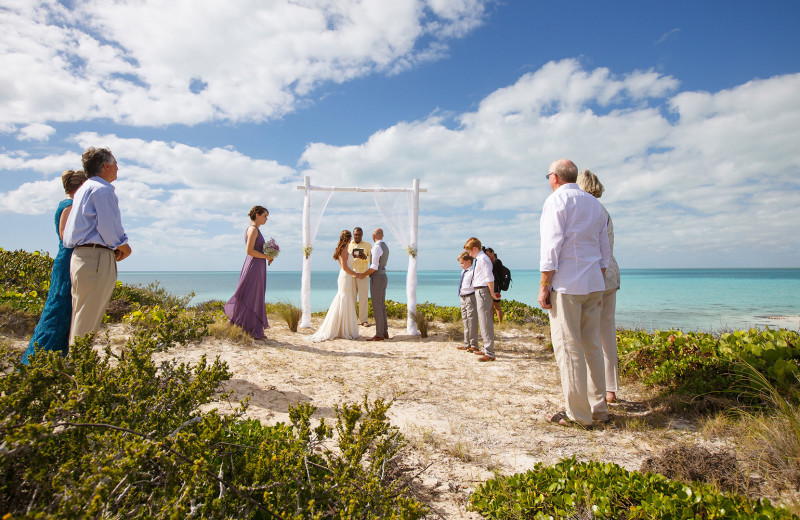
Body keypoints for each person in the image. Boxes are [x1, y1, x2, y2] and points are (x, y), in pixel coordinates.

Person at [539, 158, 611, 428]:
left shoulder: (556, 201)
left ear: (555, 177)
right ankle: (598, 407)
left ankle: (579, 415)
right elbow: (605, 252)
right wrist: (598, 278)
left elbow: (551, 247)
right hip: (593, 283)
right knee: (592, 346)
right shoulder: (595, 204)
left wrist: (544, 286)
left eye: (548, 175)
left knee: (569, 349)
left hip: (568, 285)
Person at [63, 147, 131, 344]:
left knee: (81, 313)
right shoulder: (102, 190)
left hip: (80, 257)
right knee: (88, 318)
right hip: (96, 258)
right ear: (105, 166)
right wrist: (124, 247)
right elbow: (109, 229)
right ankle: (79, 368)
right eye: (115, 163)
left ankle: (75, 365)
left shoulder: (84, 189)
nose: (118, 168)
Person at [21, 170, 88, 364]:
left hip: (68, 258)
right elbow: (66, 237)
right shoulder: (69, 205)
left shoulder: (67, 204)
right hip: (67, 260)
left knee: (64, 309)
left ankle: (54, 358)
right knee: (58, 309)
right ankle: (40, 358)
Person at [578, 170, 621, 403]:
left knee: (591, 334)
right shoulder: (604, 211)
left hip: (595, 277)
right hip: (611, 276)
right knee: (607, 333)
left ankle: (598, 388)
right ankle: (610, 389)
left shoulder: (588, 210)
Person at [225, 206, 273, 340]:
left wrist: (268, 254)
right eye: (265, 216)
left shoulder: (256, 230)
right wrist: (266, 257)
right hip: (253, 265)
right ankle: (245, 327)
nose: (266, 219)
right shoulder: (252, 229)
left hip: (258, 265)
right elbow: (249, 251)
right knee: (249, 294)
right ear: (257, 215)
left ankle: (251, 327)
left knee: (256, 295)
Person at [311, 230, 360, 342]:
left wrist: (354, 257)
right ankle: (341, 329)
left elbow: (346, 264)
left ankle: (343, 328)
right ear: (348, 238)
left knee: (346, 299)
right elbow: (344, 267)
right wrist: (355, 274)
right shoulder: (343, 250)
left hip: (346, 277)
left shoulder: (345, 250)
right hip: (345, 276)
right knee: (344, 299)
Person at [464, 237, 500, 361]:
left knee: (485, 320)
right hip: (478, 290)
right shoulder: (479, 259)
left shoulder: (483, 259)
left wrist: (491, 293)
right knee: (482, 319)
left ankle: (490, 352)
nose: (469, 254)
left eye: (469, 251)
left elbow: (489, 277)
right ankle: (486, 348)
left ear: (475, 248)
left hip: (483, 290)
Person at [359, 228, 389, 341]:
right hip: (383, 277)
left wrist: (363, 275)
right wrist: (367, 258)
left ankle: (379, 334)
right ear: (382, 235)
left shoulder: (376, 247)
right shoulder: (385, 247)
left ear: (373, 235)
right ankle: (385, 332)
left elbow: (374, 267)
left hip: (377, 278)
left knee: (377, 306)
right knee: (381, 305)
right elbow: (378, 262)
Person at [455, 251, 479, 353]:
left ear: (469, 261)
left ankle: (474, 344)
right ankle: (466, 343)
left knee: (472, 320)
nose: (461, 266)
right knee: (465, 320)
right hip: (463, 297)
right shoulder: (464, 272)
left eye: (462, 263)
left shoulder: (473, 272)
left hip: (470, 297)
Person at [348, 227, 372, 326]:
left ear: (362, 234)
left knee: (363, 298)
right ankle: (353, 320)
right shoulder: (349, 245)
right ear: (353, 235)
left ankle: (363, 320)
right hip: (351, 275)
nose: (357, 236)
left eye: (359, 234)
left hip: (363, 275)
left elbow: (372, 259)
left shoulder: (368, 245)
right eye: (355, 234)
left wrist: (365, 257)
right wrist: (352, 256)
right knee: (351, 298)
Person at [484, 247, 505, 324]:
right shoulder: (490, 262)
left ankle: (500, 323)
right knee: (491, 307)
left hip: (496, 287)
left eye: (488, 254)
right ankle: (492, 322)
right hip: (491, 286)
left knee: (497, 306)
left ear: (492, 253)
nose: (487, 256)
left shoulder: (497, 261)